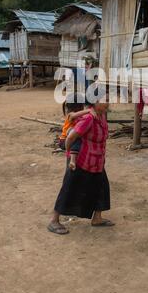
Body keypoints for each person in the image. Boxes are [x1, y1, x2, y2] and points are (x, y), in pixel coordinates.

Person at [48, 90, 114, 235]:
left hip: (96, 160)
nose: (108, 102)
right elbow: (71, 138)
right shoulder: (88, 118)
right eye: (105, 100)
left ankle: (97, 218)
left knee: (102, 187)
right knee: (70, 187)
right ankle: (54, 220)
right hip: (81, 160)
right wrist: (70, 154)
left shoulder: (102, 115)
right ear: (95, 102)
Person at [58, 96, 90, 170]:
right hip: (64, 140)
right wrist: (88, 111)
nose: (83, 107)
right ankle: (72, 160)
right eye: (82, 106)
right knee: (75, 135)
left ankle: (73, 158)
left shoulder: (78, 115)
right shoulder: (71, 115)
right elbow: (76, 115)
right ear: (78, 107)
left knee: (75, 134)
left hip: (67, 139)